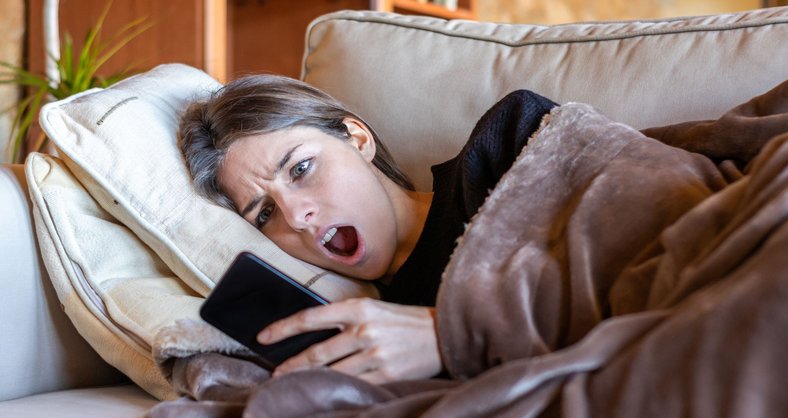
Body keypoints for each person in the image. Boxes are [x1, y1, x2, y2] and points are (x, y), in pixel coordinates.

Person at [178, 74, 557, 384]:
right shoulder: (358, 327)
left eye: (300, 169)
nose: (294, 217)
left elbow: (609, 263)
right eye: (264, 214)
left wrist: (449, 336)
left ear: (358, 140)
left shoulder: (509, 140)